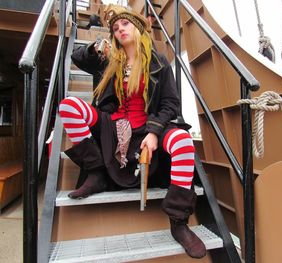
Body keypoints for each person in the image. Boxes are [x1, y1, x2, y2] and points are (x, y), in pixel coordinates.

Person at [58, 4, 206, 259]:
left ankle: (179, 222)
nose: (120, 30)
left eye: (124, 24)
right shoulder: (109, 60)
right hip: (113, 125)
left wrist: (154, 132)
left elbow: (171, 104)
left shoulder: (157, 61)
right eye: (115, 28)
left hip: (147, 126)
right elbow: (77, 58)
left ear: (136, 27)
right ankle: (96, 172)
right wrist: (95, 47)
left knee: (182, 141)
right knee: (68, 106)